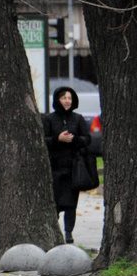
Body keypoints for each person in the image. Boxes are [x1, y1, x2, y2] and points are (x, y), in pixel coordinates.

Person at [43, 86, 91, 244]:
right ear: (58, 99)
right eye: (64, 98)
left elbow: (87, 139)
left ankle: (69, 233)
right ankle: (53, 233)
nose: (67, 101)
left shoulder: (78, 118)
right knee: (54, 202)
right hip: (55, 168)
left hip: (73, 168)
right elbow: (43, 140)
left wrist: (74, 139)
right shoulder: (49, 119)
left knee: (71, 204)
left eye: (69, 98)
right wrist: (58, 139)